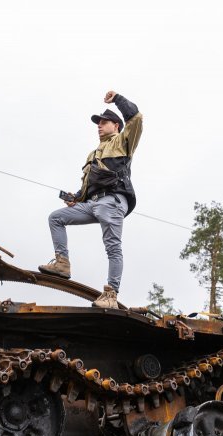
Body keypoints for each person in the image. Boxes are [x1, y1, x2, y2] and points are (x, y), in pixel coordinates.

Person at [38, 90, 143, 309]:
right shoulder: (92, 154)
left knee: (112, 247)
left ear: (116, 126)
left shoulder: (123, 142)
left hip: (112, 202)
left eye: (104, 122)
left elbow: (136, 118)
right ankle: (62, 264)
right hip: (92, 203)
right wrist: (76, 198)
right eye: (98, 123)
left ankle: (111, 295)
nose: (99, 125)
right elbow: (87, 186)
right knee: (55, 218)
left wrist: (118, 99)